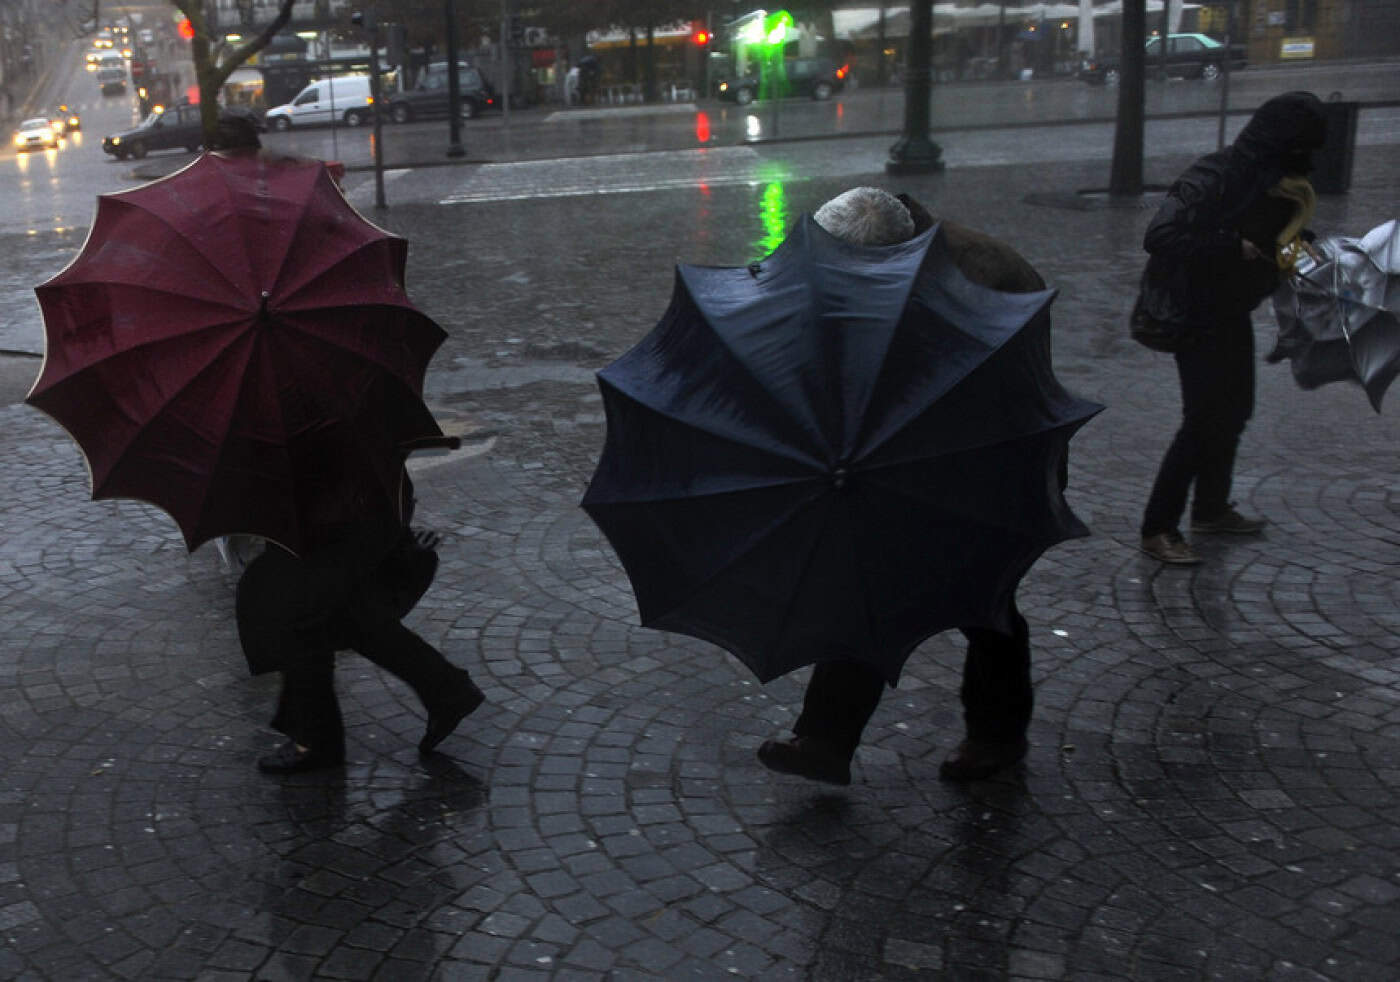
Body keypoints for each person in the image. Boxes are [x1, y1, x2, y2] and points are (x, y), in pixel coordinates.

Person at [756, 186, 1053, 786]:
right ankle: (825, 740)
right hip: (894, 448)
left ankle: (996, 738)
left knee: (986, 598)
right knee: (868, 585)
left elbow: (1004, 391)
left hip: (988, 451)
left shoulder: (983, 277)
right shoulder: (863, 242)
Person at [1138, 91, 1327, 565]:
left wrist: (1299, 247)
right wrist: (1231, 245)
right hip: (1192, 310)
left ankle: (1210, 508)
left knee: (1236, 410)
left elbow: (1272, 236)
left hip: (1230, 308)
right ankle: (1158, 527)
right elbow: (1161, 235)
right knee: (1202, 419)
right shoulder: (1216, 174)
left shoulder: (1276, 184)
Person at [236, 448, 484, 774]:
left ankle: (316, 740)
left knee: (307, 608)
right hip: (352, 495)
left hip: (332, 502)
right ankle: (444, 689)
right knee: (333, 610)